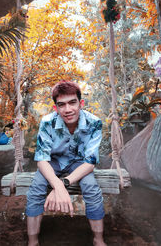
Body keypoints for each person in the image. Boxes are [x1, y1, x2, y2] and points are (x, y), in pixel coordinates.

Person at [26, 81, 106, 246]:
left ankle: (98, 240)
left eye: (72, 102)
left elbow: (90, 163)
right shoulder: (47, 122)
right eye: (61, 105)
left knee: (91, 187)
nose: (68, 109)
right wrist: (59, 186)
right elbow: (42, 159)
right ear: (56, 108)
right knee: (36, 188)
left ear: (81, 103)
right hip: (53, 162)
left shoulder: (94, 123)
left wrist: (63, 183)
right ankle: (32, 242)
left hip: (80, 163)